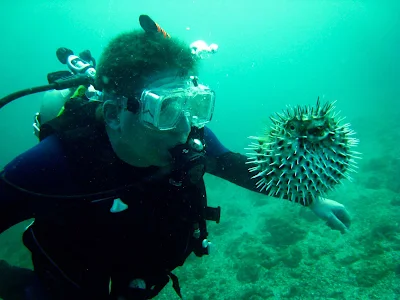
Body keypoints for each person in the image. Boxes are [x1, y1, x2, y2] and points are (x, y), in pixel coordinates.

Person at [0, 27, 351, 300]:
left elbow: (236, 166)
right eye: (165, 108)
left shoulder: (189, 138)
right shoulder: (49, 166)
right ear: (113, 114)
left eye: (194, 105)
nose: (185, 127)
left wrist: (310, 196)